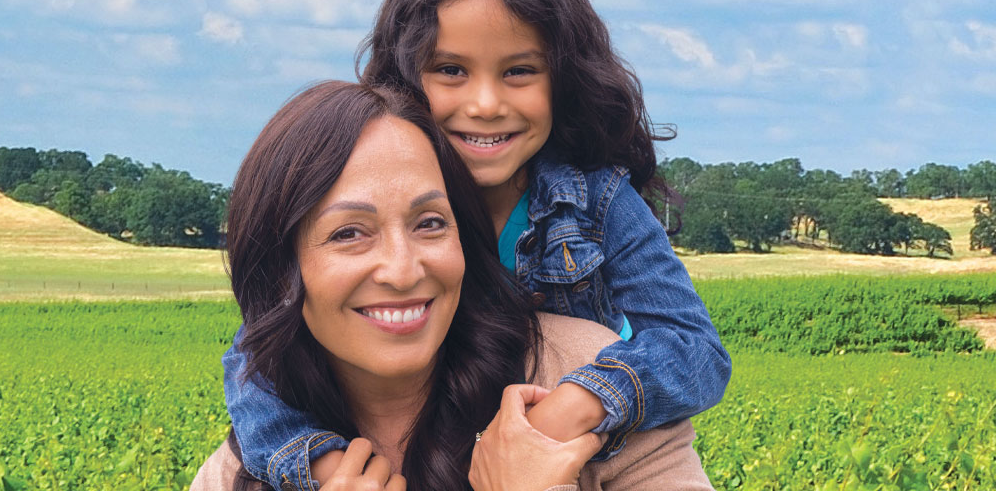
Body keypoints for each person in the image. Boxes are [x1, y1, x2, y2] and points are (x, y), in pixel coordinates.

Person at [222, 0, 731, 488]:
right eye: (451, 71)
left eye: (518, 71)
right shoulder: (379, 173)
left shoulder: (596, 200)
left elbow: (694, 346)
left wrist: (575, 403)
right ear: (405, 76)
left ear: (563, 79)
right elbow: (258, 351)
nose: (485, 104)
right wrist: (319, 467)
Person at [191, 81, 709, 490]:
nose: (403, 271)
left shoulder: (584, 372)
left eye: (430, 223)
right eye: (349, 233)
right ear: (281, 268)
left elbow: (693, 346)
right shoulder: (240, 470)